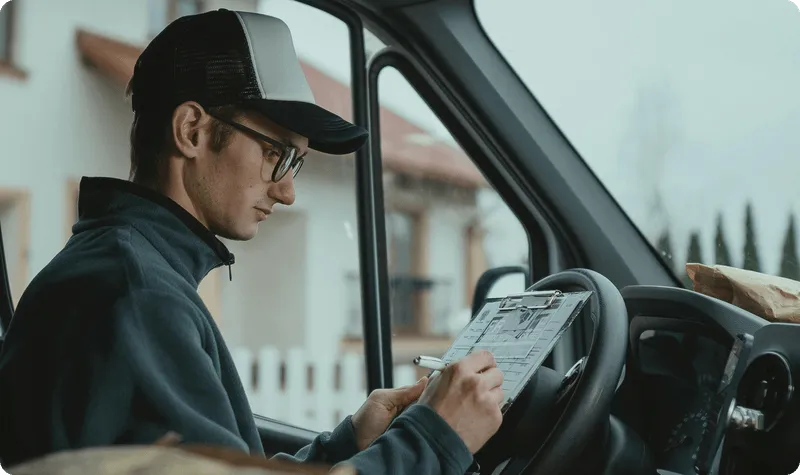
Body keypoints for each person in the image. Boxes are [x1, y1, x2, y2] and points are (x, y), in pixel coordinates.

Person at [0, 9, 504, 474]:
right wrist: (435, 440)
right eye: (276, 154)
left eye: (296, 164)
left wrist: (349, 443)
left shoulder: (127, 270)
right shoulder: (138, 295)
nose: (286, 191)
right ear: (192, 130)